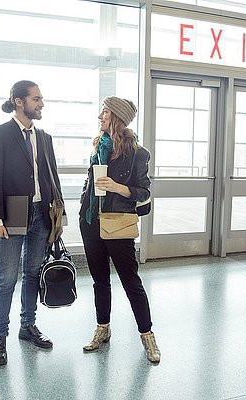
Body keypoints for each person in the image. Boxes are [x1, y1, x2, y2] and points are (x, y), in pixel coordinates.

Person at [0, 80, 63, 366]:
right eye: (36, 98)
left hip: (42, 215)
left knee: (32, 274)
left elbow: (53, 177)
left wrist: (59, 217)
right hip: (11, 216)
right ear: (19, 101)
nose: (41, 103)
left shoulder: (45, 138)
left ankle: (27, 326)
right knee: (7, 278)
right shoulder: (0, 134)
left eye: (41, 99)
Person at [79, 96, 161, 363]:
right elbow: (89, 184)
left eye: (104, 112)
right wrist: (83, 210)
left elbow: (143, 192)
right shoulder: (97, 147)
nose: (99, 117)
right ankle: (102, 328)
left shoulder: (138, 153)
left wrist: (115, 186)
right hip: (91, 223)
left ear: (116, 117)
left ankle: (148, 336)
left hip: (119, 223)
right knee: (100, 280)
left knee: (131, 282)